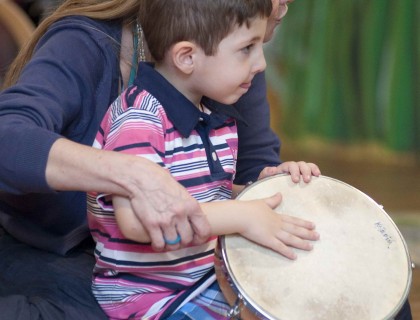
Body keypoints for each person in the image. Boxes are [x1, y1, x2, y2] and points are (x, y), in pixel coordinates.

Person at [0, 0, 412, 319]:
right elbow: (10, 138)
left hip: (182, 263)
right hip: (73, 258)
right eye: (248, 49)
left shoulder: (228, 59)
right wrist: (131, 174)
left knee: (372, 296)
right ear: (186, 55)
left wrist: (277, 184)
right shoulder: (99, 55)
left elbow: (237, 178)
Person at [87, 1, 320, 319]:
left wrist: (269, 187)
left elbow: (205, 198)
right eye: (247, 49)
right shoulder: (140, 119)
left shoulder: (213, 114)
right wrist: (242, 216)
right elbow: (137, 223)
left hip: (203, 280)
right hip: (152, 296)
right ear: (187, 57)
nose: (261, 63)